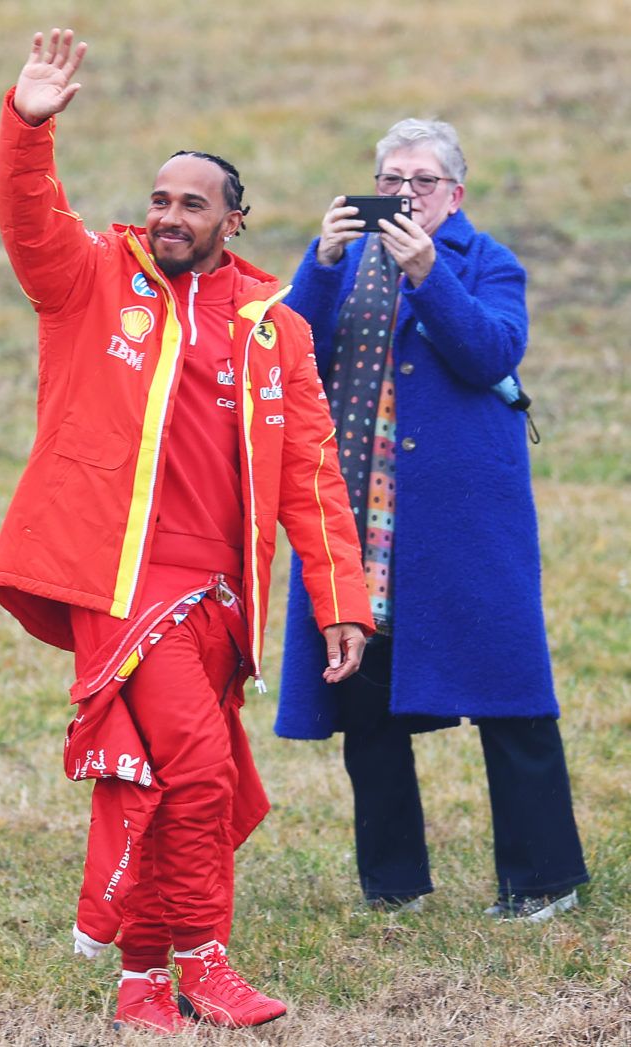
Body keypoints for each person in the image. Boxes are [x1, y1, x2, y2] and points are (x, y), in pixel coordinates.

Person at [0, 28, 374, 1035]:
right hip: (122, 584)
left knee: (170, 783)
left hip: (223, 599)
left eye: (192, 203)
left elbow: (312, 476)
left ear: (232, 221)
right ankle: (206, 964)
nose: (168, 215)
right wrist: (29, 125)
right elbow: (30, 220)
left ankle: (141, 982)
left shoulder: (276, 328)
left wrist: (341, 599)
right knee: (200, 770)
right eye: (159, 198)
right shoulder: (93, 282)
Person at [276, 117, 589, 922]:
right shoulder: (343, 262)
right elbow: (290, 354)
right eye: (391, 179)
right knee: (364, 700)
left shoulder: (489, 262)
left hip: (463, 520)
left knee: (510, 690)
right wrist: (321, 262)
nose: (405, 193)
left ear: (456, 193)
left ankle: (544, 879)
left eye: (422, 181)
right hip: (358, 510)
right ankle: (394, 886)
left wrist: (428, 273)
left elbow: (491, 353)